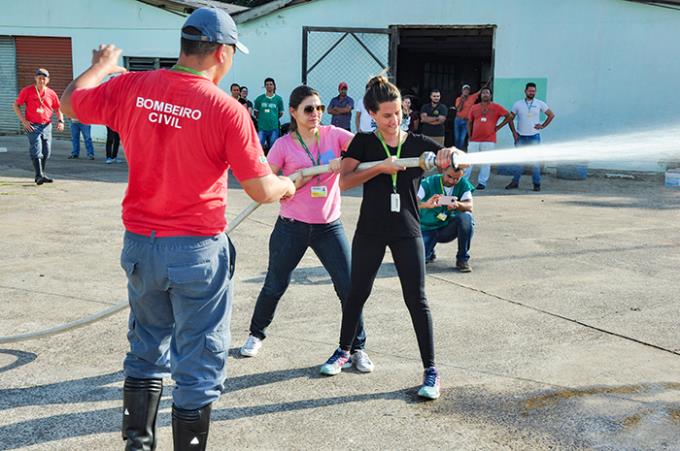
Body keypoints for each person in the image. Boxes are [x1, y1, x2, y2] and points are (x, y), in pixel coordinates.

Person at [60, 7, 296, 451]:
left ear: (185, 48)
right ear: (223, 53)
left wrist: (100, 66)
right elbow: (261, 188)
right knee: (199, 360)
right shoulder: (226, 109)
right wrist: (285, 183)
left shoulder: (131, 87)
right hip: (195, 253)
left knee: (146, 348)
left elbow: (72, 103)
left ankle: (138, 445)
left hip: (140, 246)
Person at [319, 75, 464, 400]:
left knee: (417, 299)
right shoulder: (363, 143)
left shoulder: (416, 144)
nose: (394, 119)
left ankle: (430, 371)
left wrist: (450, 154)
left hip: (407, 229)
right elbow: (344, 182)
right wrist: (380, 168)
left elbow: (449, 158)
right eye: (386, 115)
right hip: (371, 229)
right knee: (356, 292)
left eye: (398, 113)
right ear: (372, 113)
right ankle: (343, 351)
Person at [240, 85, 373, 371]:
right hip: (291, 226)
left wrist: (347, 161)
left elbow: (367, 149)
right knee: (275, 284)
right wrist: (289, 184)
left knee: (349, 288)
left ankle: (357, 347)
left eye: (320, 108)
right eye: (309, 109)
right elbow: (265, 181)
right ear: (293, 112)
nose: (316, 114)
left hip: (329, 227)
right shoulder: (283, 145)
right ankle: (255, 334)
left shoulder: (334, 135)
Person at [12, 68, 65, 185]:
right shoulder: (27, 91)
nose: (41, 80)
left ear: (48, 80)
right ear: (35, 78)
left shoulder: (51, 93)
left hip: (47, 125)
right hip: (32, 125)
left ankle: (42, 174)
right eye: (39, 77)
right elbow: (16, 105)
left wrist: (61, 121)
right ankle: (39, 175)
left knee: (46, 152)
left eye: (44, 78)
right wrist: (23, 121)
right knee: (36, 149)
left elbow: (58, 108)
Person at [418, 166, 475, 272]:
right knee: (416, 261)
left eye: (456, 178)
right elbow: (412, 202)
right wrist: (426, 204)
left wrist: (457, 204)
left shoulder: (463, 184)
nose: (452, 181)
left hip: (446, 228)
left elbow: (469, 206)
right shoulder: (428, 182)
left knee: (466, 217)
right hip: (427, 227)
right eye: (449, 176)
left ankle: (462, 259)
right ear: (443, 170)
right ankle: (429, 251)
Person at [506, 82, 556, 192]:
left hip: (534, 137)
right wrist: (514, 132)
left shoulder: (539, 103)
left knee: (535, 163)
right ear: (525, 91)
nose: (532, 93)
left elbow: (551, 115)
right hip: (521, 137)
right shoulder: (518, 104)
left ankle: (536, 184)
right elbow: (510, 119)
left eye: (533, 91)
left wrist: (542, 125)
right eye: (530, 91)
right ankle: (515, 182)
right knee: (519, 162)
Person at [464, 87, 513, 190]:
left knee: (486, 162)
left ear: (490, 95)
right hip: (474, 139)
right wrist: (469, 136)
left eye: (487, 93)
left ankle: (482, 182)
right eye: (483, 93)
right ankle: (464, 181)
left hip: (489, 139)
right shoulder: (474, 107)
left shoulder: (497, 107)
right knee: (468, 161)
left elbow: (509, 116)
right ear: (480, 96)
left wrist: (499, 127)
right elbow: (469, 122)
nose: (485, 95)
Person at [254, 77, 284, 152]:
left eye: (271, 84)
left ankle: (271, 163)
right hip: (262, 128)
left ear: (274, 86)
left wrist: (273, 118)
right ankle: (259, 163)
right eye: (267, 84)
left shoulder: (278, 99)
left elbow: (281, 113)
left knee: (272, 149)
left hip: (274, 128)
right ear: (265, 86)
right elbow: (256, 112)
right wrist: (262, 119)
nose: (269, 86)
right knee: (258, 148)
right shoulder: (259, 99)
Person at [453, 84, 480, 150]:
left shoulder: (472, 97)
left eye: (467, 90)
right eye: (464, 90)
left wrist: (488, 82)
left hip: (466, 121)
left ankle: (459, 151)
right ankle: (456, 151)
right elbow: (458, 109)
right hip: (458, 120)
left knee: (462, 138)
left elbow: (480, 91)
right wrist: (462, 100)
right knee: (457, 138)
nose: (466, 91)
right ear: (462, 91)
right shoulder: (458, 99)